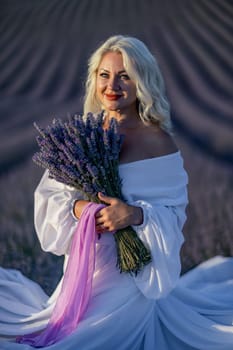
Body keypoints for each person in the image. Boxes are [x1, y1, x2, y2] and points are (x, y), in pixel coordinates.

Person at [0, 35, 233, 349]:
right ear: (94, 79)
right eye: (105, 75)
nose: (113, 85)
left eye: (125, 76)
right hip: (84, 270)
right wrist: (81, 209)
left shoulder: (158, 142)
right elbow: (51, 197)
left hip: (131, 280)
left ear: (142, 83)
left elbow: (174, 214)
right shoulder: (82, 136)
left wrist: (133, 215)